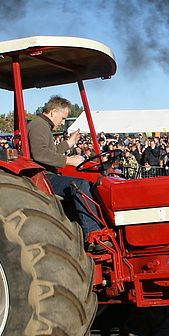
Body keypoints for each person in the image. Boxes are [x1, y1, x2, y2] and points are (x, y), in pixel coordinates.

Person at [27, 96, 104, 242]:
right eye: (62, 118)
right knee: (80, 185)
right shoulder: (39, 125)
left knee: (87, 181)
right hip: (42, 177)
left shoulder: (42, 125)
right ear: (53, 112)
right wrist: (70, 160)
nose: (62, 123)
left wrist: (68, 143)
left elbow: (51, 151)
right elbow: (40, 153)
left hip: (46, 174)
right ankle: (93, 234)